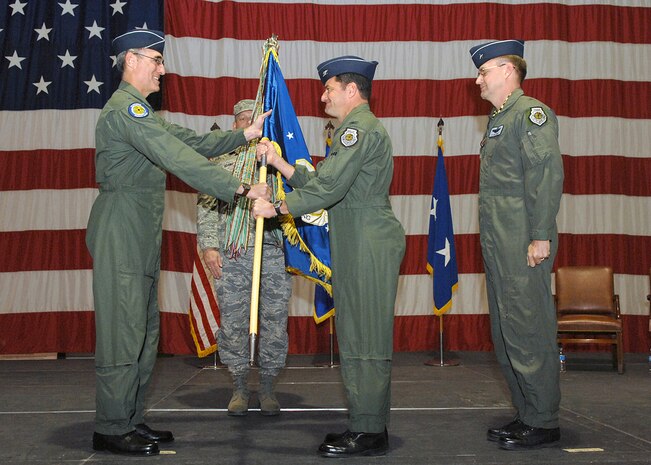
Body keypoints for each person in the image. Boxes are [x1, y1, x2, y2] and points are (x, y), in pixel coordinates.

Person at [86, 29, 270, 457]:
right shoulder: (125, 110)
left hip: (140, 230)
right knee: (122, 332)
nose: (162, 69)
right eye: (155, 60)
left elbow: (191, 142)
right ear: (131, 60)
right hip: (121, 229)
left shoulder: (142, 113)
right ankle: (111, 426)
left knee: (144, 331)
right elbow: (179, 160)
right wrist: (240, 189)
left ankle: (130, 418)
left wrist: (242, 136)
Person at [253, 56, 406, 458]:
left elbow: (329, 188)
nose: (323, 97)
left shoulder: (359, 130)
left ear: (351, 91)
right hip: (357, 239)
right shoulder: (352, 131)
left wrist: (278, 207)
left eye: (329, 89)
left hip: (368, 241)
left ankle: (369, 431)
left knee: (366, 338)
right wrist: (279, 163)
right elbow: (322, 181)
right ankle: (366, 424)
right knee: (356, 336)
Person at [469, 40, 564, 450]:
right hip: (499, 241)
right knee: (507, 330)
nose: (478, 79)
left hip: (523, 239)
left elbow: (545, 174)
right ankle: (527, 412)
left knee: (528, 327)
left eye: (484, 71)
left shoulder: (530, 113)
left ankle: (543, 419)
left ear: (508, 70)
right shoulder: (498, 119)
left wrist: (540, 235)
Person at [196, 99, 292, 417]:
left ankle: (266, 387)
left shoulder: (277, 158)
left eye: (254, 119)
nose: (247, 123)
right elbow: (207, 203)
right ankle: (239, 386)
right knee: (233, 322)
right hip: (234, 251)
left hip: (272, 251)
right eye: (242, 119)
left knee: (274, 322)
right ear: (235, 125)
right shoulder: (221, 159)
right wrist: (209, 246)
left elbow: (298, 199)